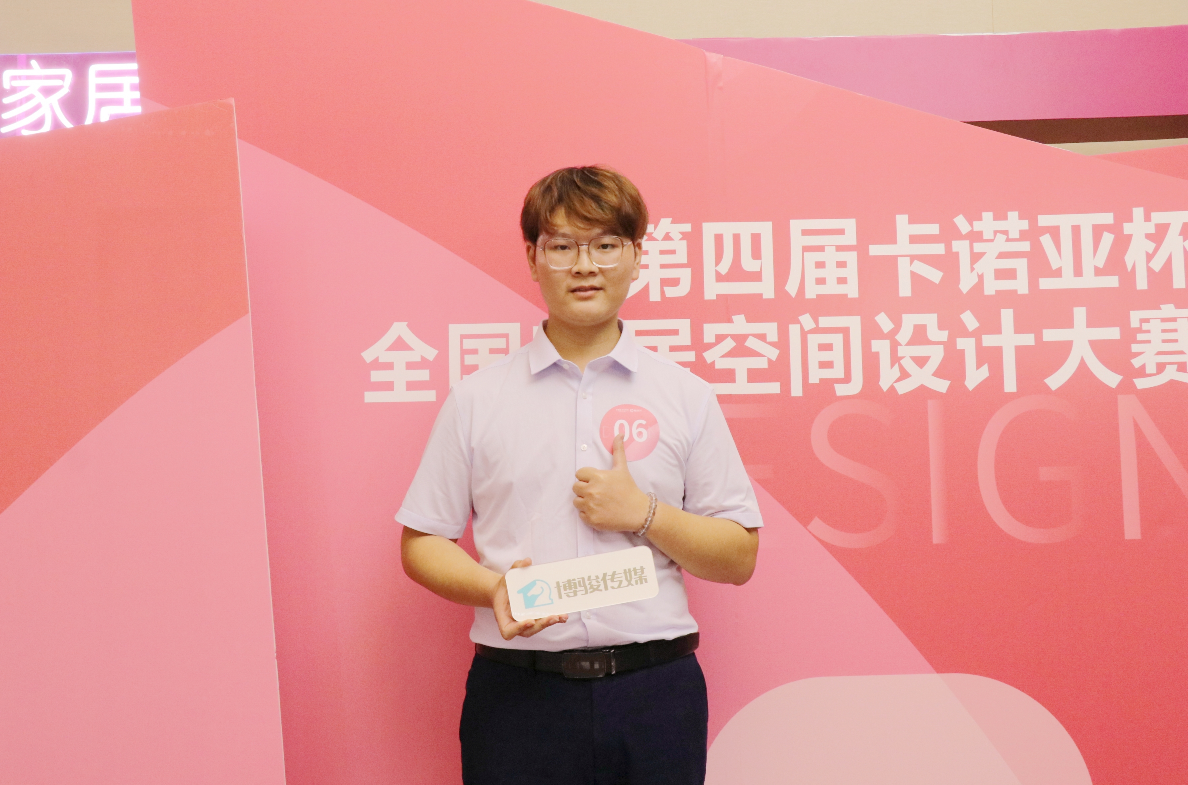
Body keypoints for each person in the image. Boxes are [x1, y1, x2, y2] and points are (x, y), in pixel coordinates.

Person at [398, 165, 761, 784]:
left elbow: (738, 556)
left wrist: (644, 514)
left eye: (605, 245)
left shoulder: (685, 396)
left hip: (655, 693)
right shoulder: (478, 399)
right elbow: (421, 541)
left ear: (636, 256)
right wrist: (493, 589)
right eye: (562, 246)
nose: (585, 265)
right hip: (518, 696)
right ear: (533, 259)